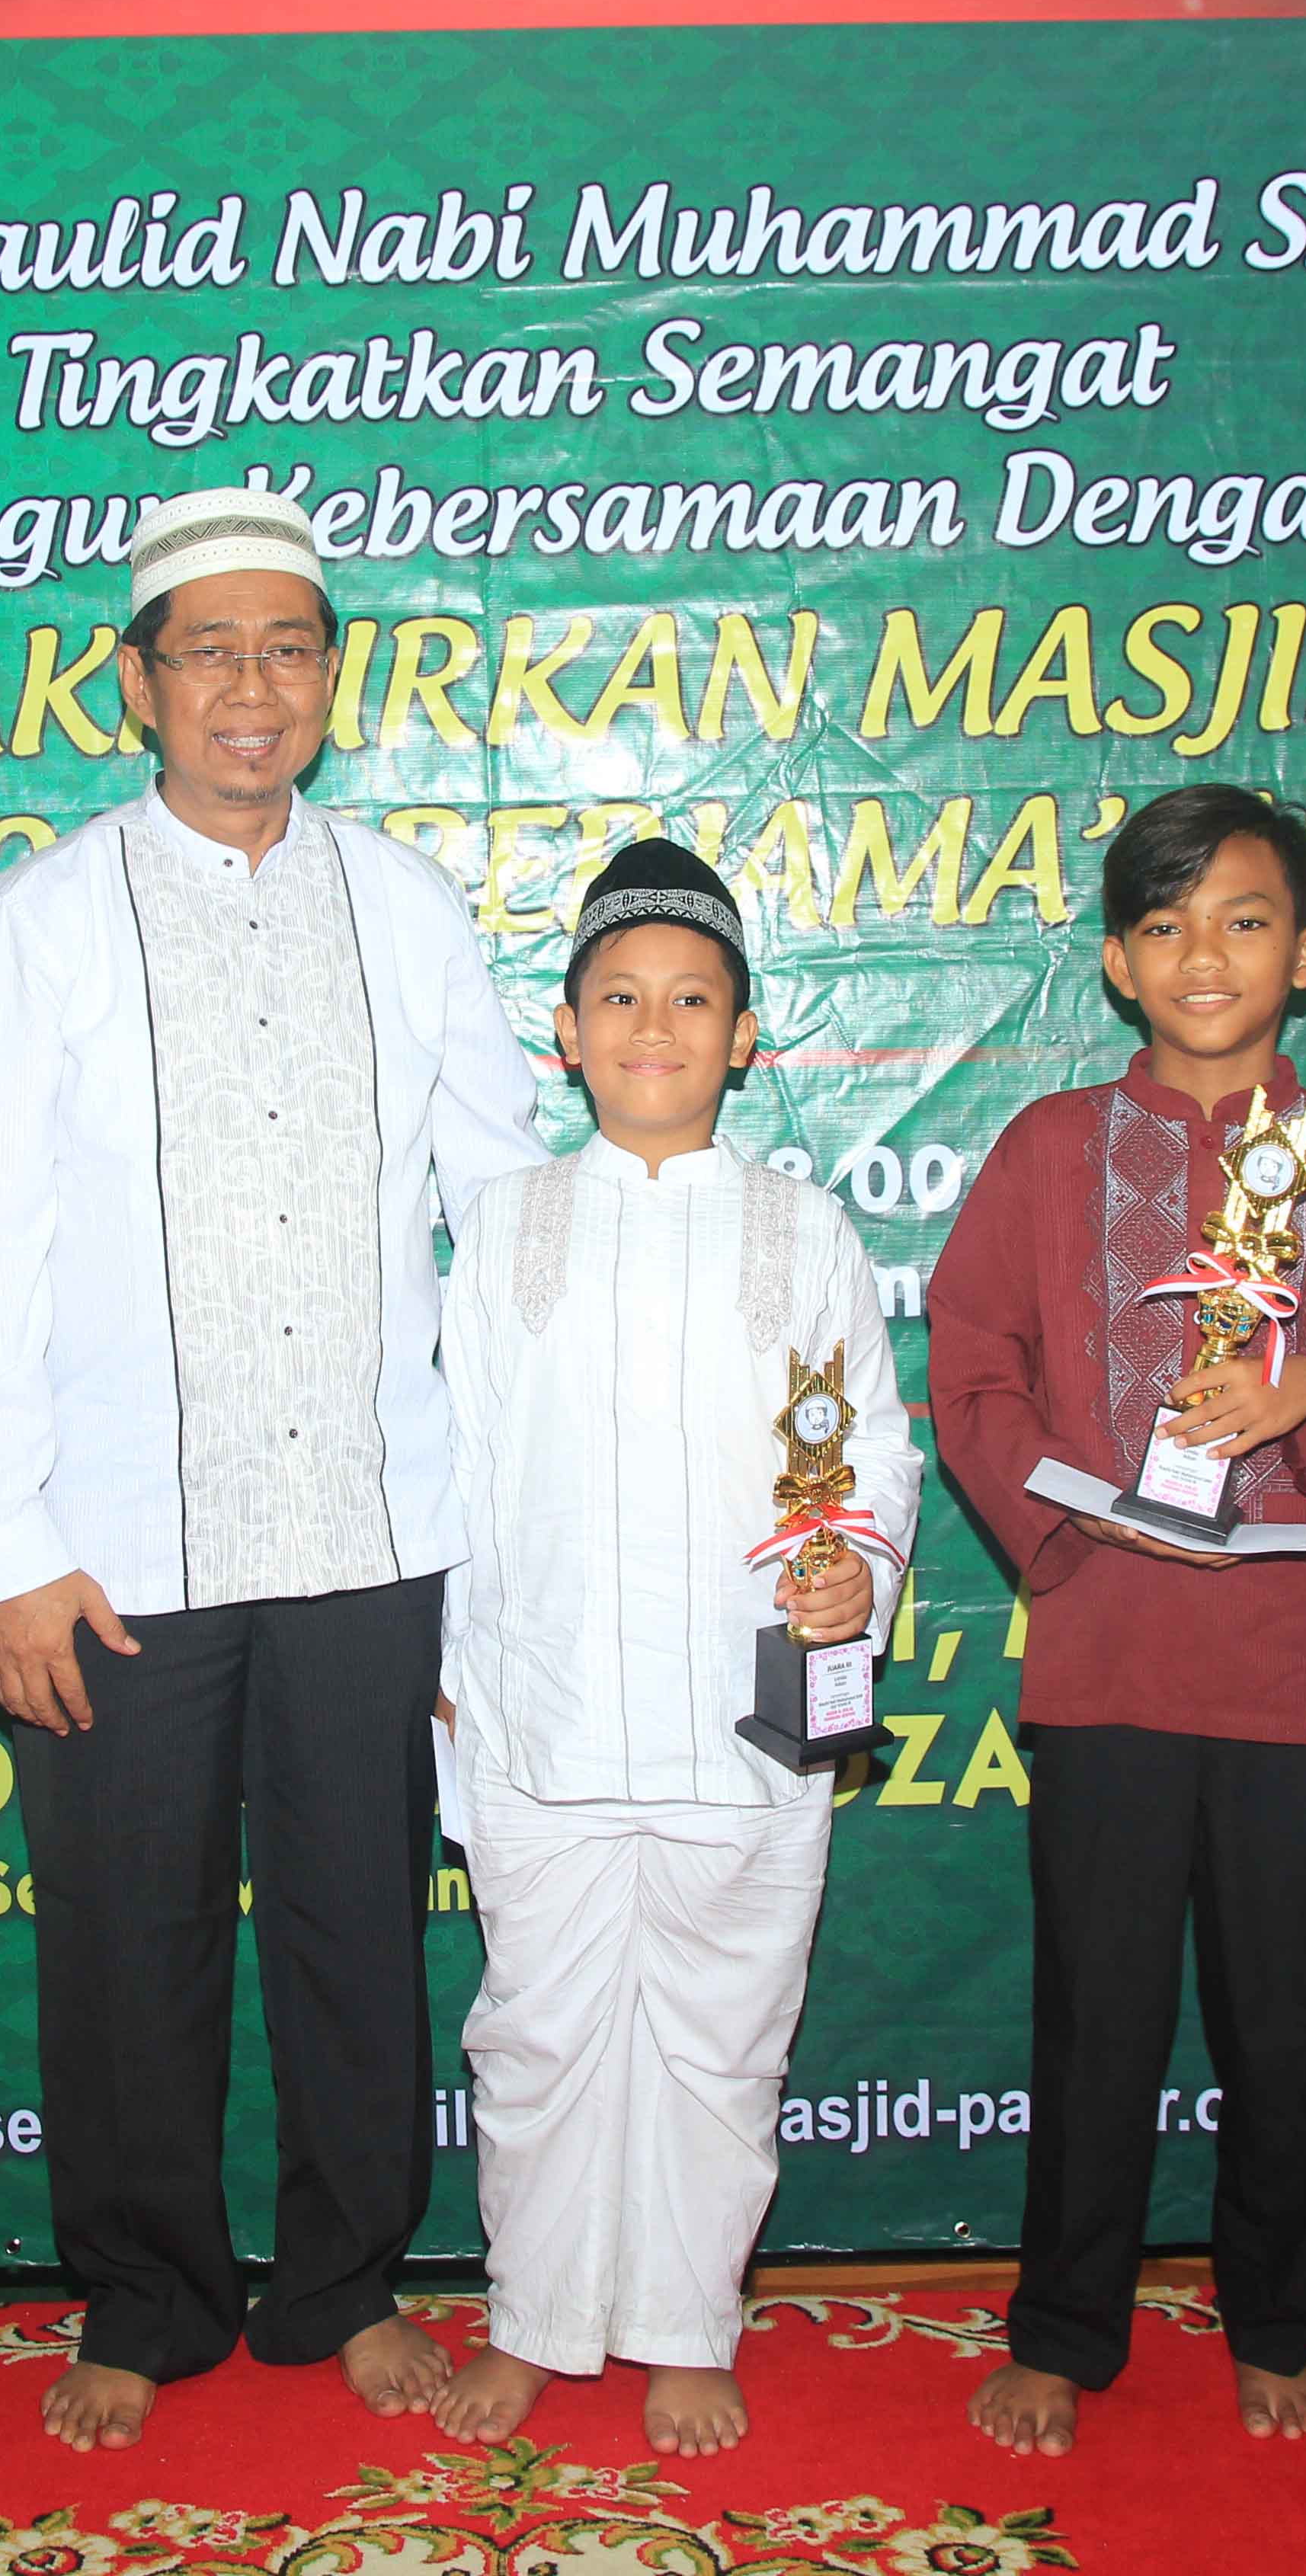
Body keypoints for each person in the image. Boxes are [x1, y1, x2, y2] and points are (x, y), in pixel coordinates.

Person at [0, 487, 546, 2451]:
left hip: (372, 1527)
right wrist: (5, 1548)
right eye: (209, 651)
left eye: (288, 649)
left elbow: (504, 1209)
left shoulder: (410, 907)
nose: (250, 688)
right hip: (113, 1547)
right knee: (129, 1945)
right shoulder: (37, 924)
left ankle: (345, 2283)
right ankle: (147, 2298)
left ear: (333, 679)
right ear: (138, 683)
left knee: (363, 1929)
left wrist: (512, 1524)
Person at [926, 786, 1306, 2458]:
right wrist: (1068, 1524)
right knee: (1098, 2015)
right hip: (1109, 1656)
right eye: (1164, 924)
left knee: (1288, 2022)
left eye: (1243, 919)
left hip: (1298, 1668)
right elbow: (971, 1370)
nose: (1203, 955)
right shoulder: (1048, 1149)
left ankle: (1276, 2319)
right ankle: (1063, 2330)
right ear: (1115, 961)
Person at [427, 840, 920, 2462]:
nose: (656, 1028)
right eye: (622, 999)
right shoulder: (505, 1227)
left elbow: (871, 1452)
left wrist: (855, 1574)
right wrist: (449, 1680)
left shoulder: (803, 1228)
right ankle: (535, 2318)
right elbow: (457, 1464)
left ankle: (690, 2322)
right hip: (541, 1708)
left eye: (692, 1000)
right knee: (537, 2034)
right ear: (567, 1033)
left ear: (746, 1034)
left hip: (742, 1714)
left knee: (722, 2033)